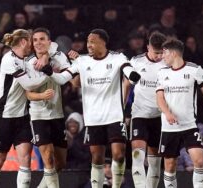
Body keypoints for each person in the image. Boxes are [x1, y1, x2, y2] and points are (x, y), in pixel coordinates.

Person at [40, 28, 141, 188]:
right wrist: (50, 72)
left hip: (114, 115)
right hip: (93, 118)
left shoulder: (117, 58)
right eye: (88, 42)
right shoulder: (82, 61)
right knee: (96, 157)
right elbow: (64, 78)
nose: (89, 45)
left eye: (92, 41)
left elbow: (128, 69)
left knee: (119, 154)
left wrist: (133, 75)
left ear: (103, 42)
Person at [0, 29, 52, 188]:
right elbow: (29, 84)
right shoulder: (8, 60)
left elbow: (45, 58)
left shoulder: (27, 60)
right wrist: (46, 75)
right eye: (31, 40)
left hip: (22, 118)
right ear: (23, 41)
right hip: (4, 116)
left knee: (25, 159)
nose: (33, 44)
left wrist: (45, 57)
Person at [156, 39, 203, 188]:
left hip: (189, 126)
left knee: (199, 161)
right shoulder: (162, 72)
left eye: (164, 53)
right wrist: (167, 113)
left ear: (173, 53)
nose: (162, 56)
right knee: (170, 166)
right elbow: (159, 98)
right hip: (169, 127)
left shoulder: (194, 69)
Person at [24, 28, 70, 188]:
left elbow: (69, 76)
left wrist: (48, 57)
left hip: (57, 114)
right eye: (35, 40)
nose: (38, 43)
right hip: (38, 115)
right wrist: (42, 96)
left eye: (42, 39)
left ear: (49, 42)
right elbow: (28, 94)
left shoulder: (58, 57)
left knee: (61, 163)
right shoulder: (28, 64)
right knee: (48, 158)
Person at [127, 32, 167, 188]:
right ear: (148, 47)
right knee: (137, 156)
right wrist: (124, 109)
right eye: (156, 52)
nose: (158, 56)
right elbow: (126, 85)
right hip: (139, 115)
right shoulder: (136, 62)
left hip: (159, 116)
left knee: (155, 162)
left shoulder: (167, 63)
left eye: (161, 53)